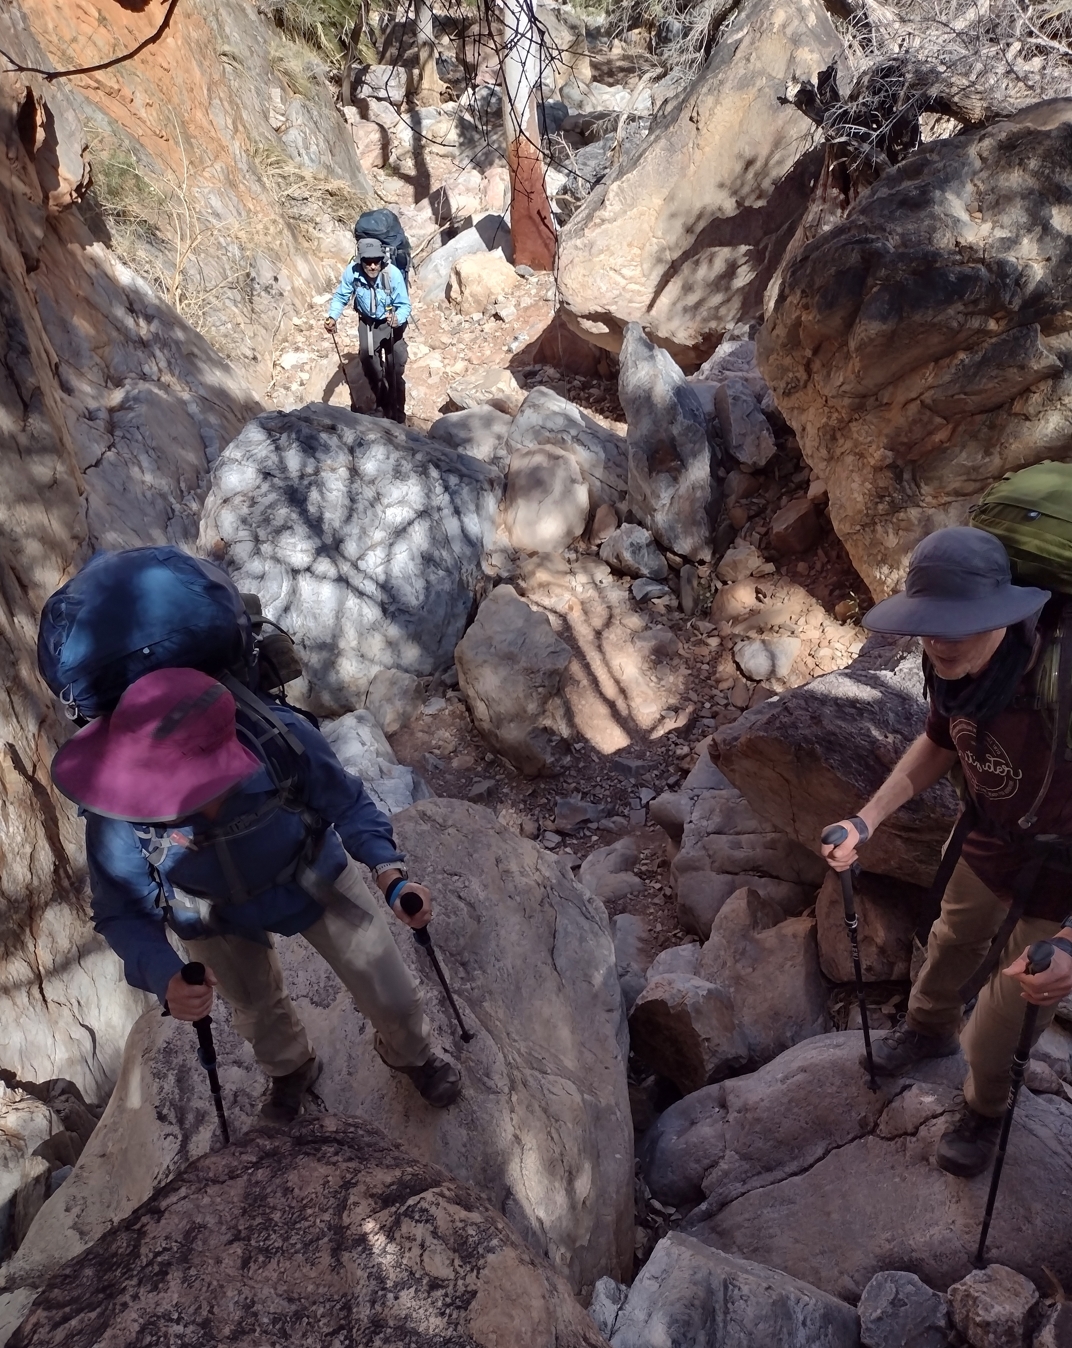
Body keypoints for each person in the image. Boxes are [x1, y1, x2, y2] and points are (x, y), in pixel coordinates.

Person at [50, 666, 461, 1124]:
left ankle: (409, 1054)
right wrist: (166, 974)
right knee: (256, 1011)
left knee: (394, 995)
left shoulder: (279, 739)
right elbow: (121, 910)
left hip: (310, 873)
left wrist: (390, 873)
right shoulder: (117, 807)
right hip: (209, 911)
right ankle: (291, 1067)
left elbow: (346, 801)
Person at [822, 527, 1072, 1177]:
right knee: (948, 940)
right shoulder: (953, 667)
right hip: (989, 837)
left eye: (954, 626)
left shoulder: (1060, 682)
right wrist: (866, 820)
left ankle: (986, 1110)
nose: (936, 640)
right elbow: (938, 741)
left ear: (1002, 615)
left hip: (1062, 876)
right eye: (929, 625)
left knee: (999, 1030)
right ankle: (928, 1028)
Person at [324, 238, 410, 423]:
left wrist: (398, 318)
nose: (372, 266)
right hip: (368, 323)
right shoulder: (352, 273)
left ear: (381, 259)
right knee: (369, 362)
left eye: (376, 261)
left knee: (394, 368)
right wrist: (333, 317)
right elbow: (341, 296)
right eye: (367, 262)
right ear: (360, 260)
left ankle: (397, 413)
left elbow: (404, 305)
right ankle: (381, 405)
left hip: (392, 323)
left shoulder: (392, 274)